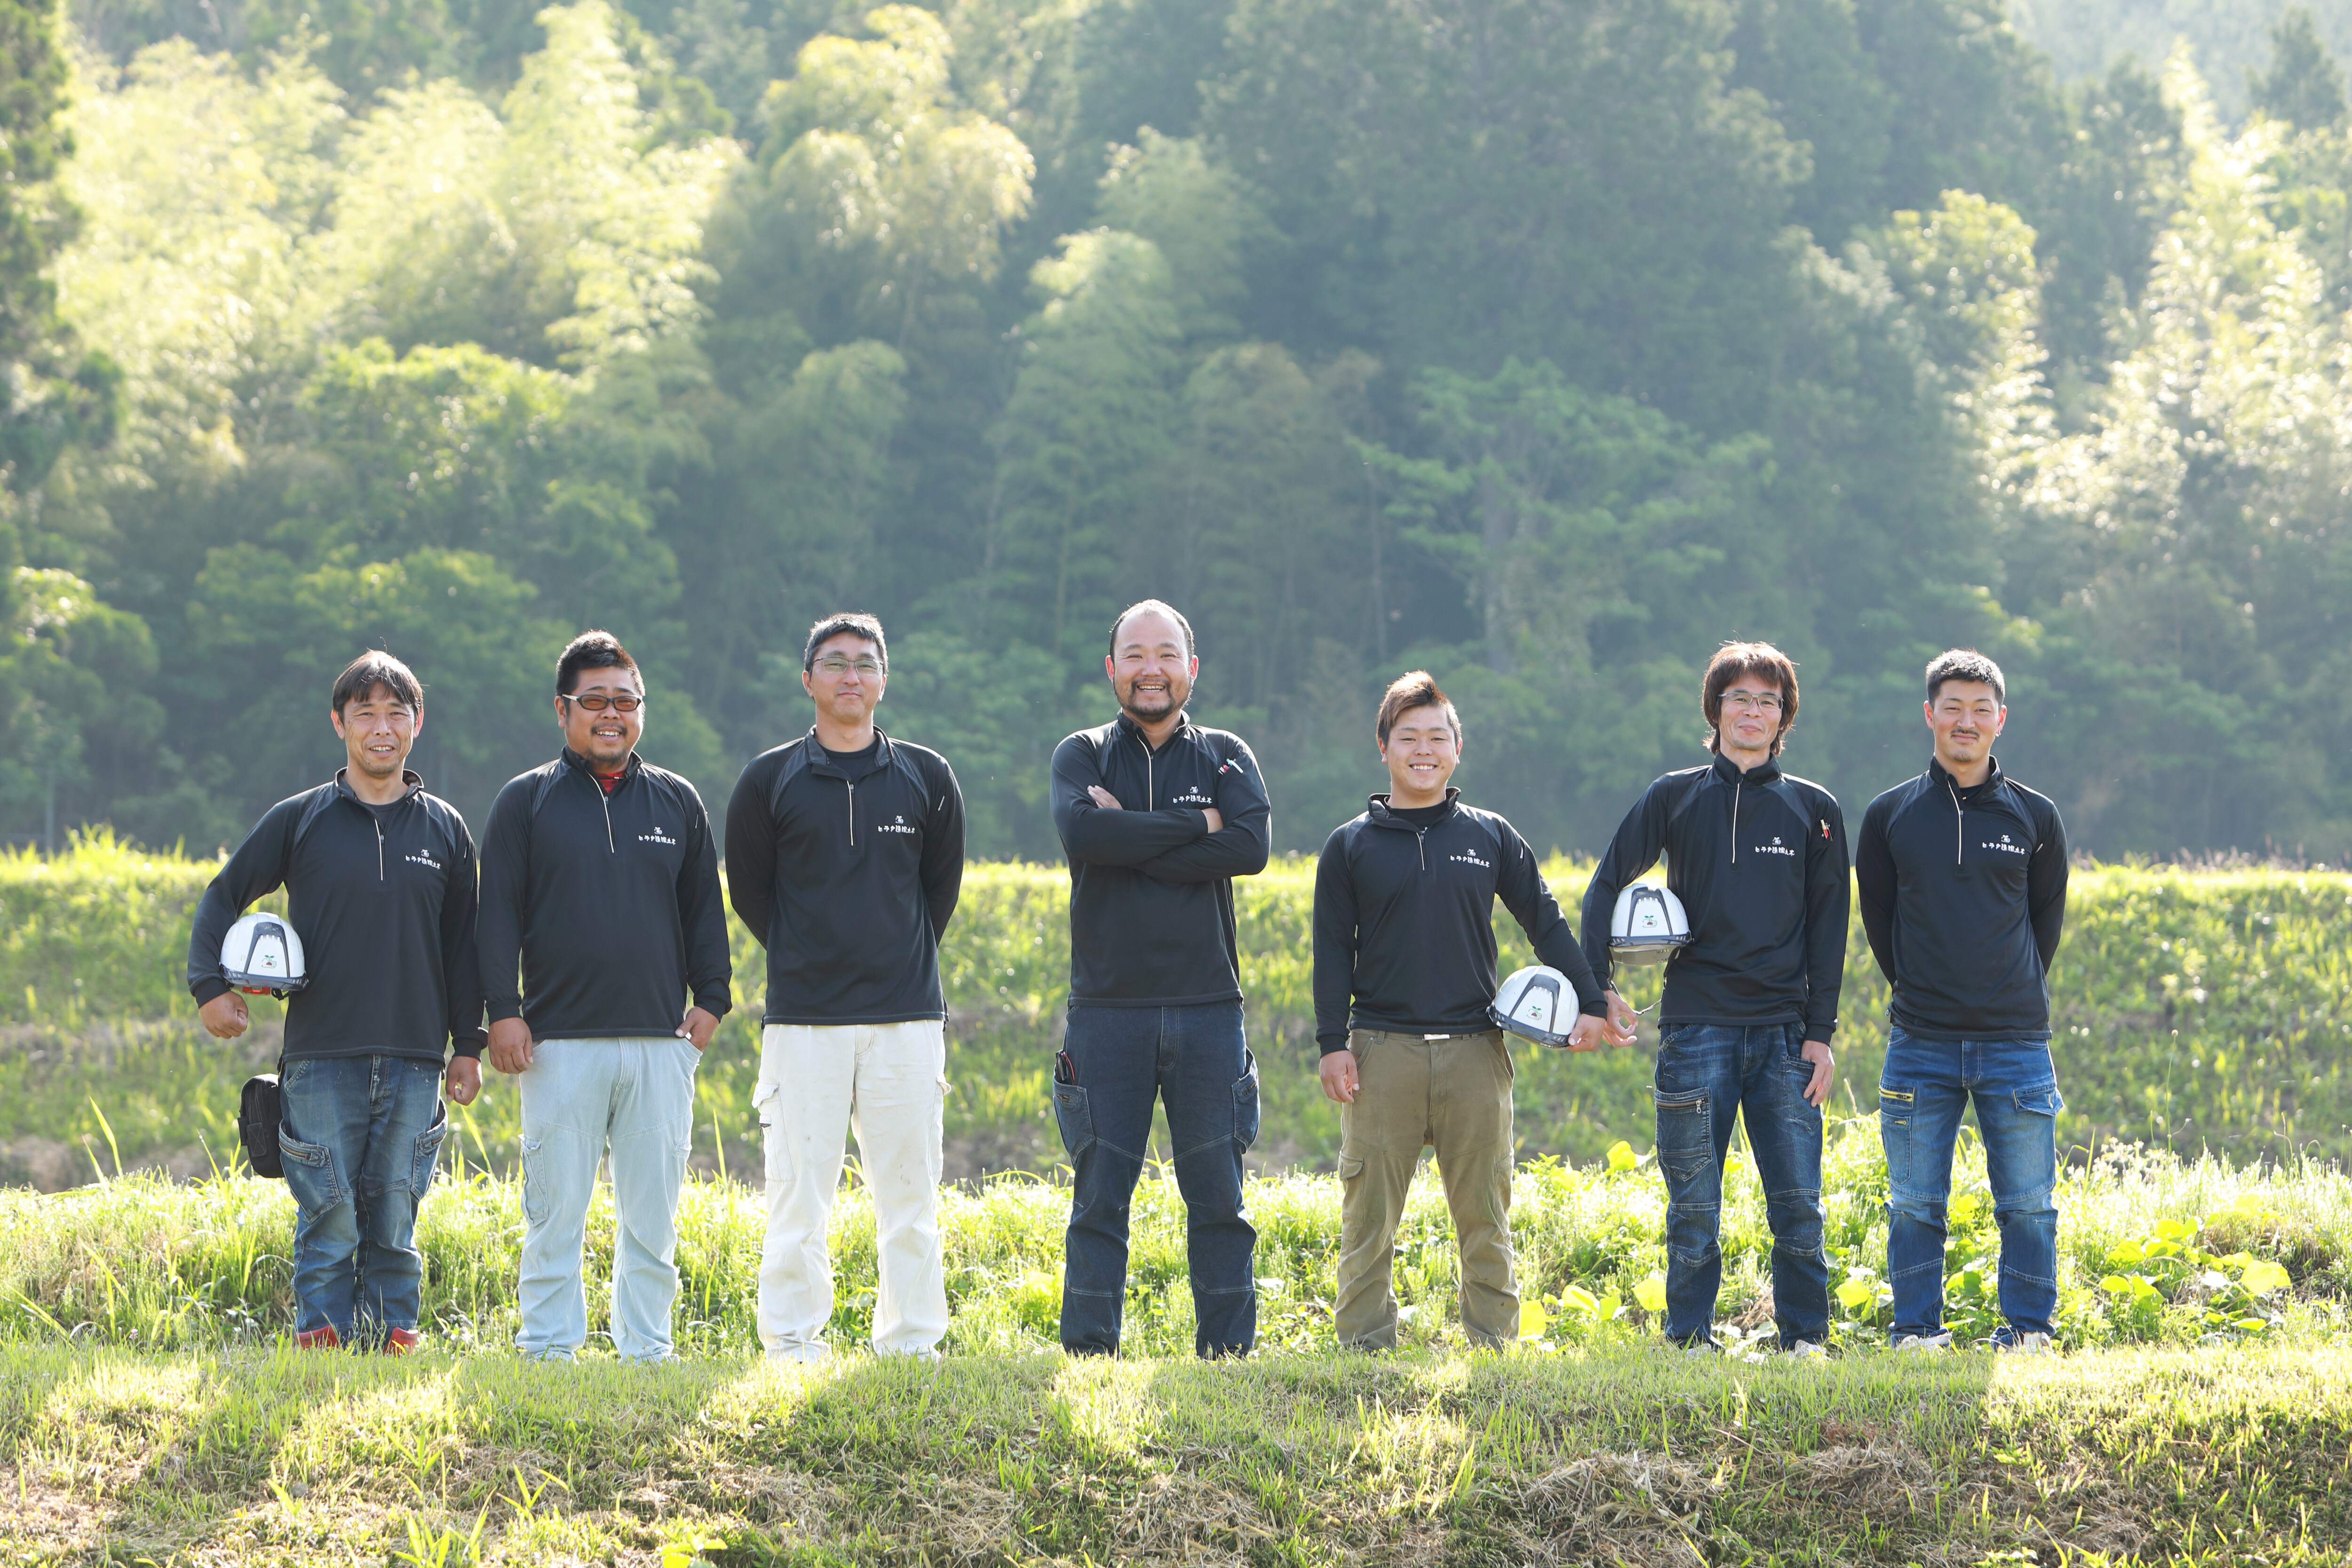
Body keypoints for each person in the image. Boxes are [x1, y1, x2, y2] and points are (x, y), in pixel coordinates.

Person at [187, 651, 484, 1353]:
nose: (382, 728)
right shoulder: (300, 820)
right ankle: (320, 1351)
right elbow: (223, 895)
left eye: (396, 713)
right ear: (339, 723)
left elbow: (464, 949)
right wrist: (210, 987)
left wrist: (467, 1046)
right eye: (365, 713)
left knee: (395, 1217)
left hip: (417, 1058)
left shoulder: (446, 829)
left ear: (417, 723)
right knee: (329, 1216)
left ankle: (390, 1349)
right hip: (320, 1058)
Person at [1314, 672, 1609, 1351]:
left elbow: (1545, 921)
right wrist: (1332, 1043)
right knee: (1369, 1216)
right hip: (1380, 1049)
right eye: (1408, 737)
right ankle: (1363, 1349)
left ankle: (1494, 1347)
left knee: (1485, 1213)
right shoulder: (1350, 845)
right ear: (1383, 747)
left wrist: (1591, 1001)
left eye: (1437, 737)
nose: (1424, 750)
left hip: (1477, 1048)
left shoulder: (1490, 835)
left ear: (1457, 747)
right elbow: (1330, 951)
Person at [1580, 642, 1849, 1356]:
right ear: (1716, 709)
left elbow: (1830, 929)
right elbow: (1606, 882)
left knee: (1799, 1205)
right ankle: (1688, 1339)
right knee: (1694, 1207)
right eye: (1739, 699)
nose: (1752, 711)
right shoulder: (1675, 796)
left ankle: (1805, 1339)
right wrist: (1597, 984)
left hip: (1786, 1036)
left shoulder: (1814, 809)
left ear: (1784, 716)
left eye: (1768, 701)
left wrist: (1820, 1033)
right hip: (1696, 1029)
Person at [479, 631, 731, 1363]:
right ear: (563, 710)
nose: (612, 713)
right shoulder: (526, 802)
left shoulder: (677, 801)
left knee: (653, 1216)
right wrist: (503, 1010)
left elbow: (703, 912)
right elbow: (496, 916)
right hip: (558, 1044)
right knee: (554, 1209)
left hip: (661, 1042)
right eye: (595, 701)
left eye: (626, 700)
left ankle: (647, 1348)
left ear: (641, 708)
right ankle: (548, 1346)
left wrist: (712, 1000)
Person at [725, 613, 966, 1362]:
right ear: (809, 679)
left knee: (910, 1195)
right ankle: (793, 1343)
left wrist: (893, 952)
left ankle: (912, 1342)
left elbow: (938, 892)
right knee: (798, 1193)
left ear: (884, 680)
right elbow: (752, 892)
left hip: (906, 1019)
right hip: (804, 1020)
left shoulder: (927, 776)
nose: (850, 675)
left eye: (865, 662)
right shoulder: (770, 780)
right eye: (834, 662)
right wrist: (807, 953)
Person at [1048, 599, 1271, 1357]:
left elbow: (1251, 847)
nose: (1152, 668)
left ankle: (1228, 1358)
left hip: (1209, 1007)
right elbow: (1085, 832)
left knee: (1220, 1199)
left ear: (1192, 668)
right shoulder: (1081, 755)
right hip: (1106, 1009)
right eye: (1136, 654)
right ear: (1112, 668)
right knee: (1099, 1198)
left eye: (1167, 653)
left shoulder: (1225, 755)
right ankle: (1089, 1354)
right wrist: (1200, 825)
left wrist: (1130, 841)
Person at [1856, 648, 2069, 1353]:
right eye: (1953, 707)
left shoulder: (2036, 815)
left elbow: (2044, 924)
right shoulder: (1890, 815)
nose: (1966, 721)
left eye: (1981, 709)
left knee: (2029, 1204)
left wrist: (2007, 986)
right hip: (1921, 1040)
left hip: (2018, 1041)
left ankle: (2029, 1329)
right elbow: (1880, 918)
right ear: (1930, 715)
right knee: (1915, 1203)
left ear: (2001, 719)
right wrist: (1923, 986)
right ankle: (1918, 1330)